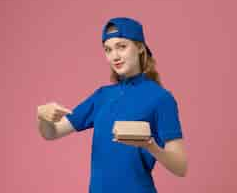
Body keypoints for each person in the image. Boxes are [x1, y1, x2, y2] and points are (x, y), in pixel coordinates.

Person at [37, 17, 188, 193]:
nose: (114, 56)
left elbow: (180, 167)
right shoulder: (102, 96)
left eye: (121, 47)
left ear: (140, 47)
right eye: (108, 50)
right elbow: (52, 133)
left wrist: (151, 146)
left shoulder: (161, 98)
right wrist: (42, 117)